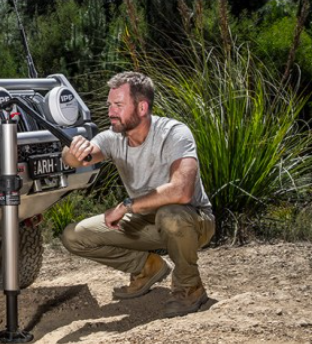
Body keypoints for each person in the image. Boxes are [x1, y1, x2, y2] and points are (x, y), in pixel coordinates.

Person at [60, 71, 215, 317]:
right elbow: (82, 158)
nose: (111, 111)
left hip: (194, 219)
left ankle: (190, 288)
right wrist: (72, 152)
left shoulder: (175, 133)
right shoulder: (113, 138)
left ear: (142, 107)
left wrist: (127, 205)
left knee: (170, 216)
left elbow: (182, 191)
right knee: (74, 236)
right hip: (146, 220)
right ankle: (146, 267)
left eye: (119, 105)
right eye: (109, 104)